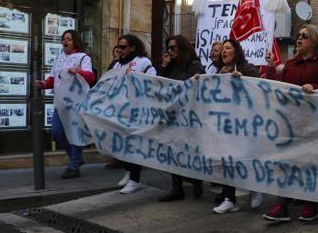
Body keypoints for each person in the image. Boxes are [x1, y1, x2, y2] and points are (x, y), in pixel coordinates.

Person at [262, 24, 318, 223]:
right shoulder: (290, 64)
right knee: (287, 162)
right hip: (291, 122)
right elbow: (277, 88)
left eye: (304, 36)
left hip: (314, 123)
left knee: (310, 163)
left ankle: (311, 203)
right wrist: (271, 68)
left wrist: (315, 87)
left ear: (315, 40)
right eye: (298, 35)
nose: (299, 39)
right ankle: (283, 204)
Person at [36, 30, 95, 179]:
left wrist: (78, 72)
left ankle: (74, 165)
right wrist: (43, 84)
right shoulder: (59, 58)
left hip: (76, 102)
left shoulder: (83, 57)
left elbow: (90, 77)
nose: (65, 41)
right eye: (63, 39)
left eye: (68, 39)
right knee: (57, 132)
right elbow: (53, 79)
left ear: (75, 41)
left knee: (76, 133)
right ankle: (76, 158)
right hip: (60, 102)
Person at [213, 38, 260, 214]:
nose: (224, 51)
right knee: (227, 161)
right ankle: (229, 199)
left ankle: (255, 188)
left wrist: (244, 81)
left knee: (245, 159)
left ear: (237, 51)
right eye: (222, 49)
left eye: (228, 48)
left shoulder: (247, 69)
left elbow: (259, 89)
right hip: (226, 124)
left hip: (245, 124)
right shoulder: (219, 72)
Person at [156, 35, 206, 202]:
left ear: (182, 48)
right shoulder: (170, 66)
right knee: (173, 151)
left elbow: (201, 90)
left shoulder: (194, 66)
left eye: (173, 48)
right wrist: (163, 66)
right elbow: (159, 85)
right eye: (168, 48)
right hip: (173, 116)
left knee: (190, 152)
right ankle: (177, 188)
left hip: (190, 118)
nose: (169, 51)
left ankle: (196, 181)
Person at [111, 34, 156, 194]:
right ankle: (128, 171)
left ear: (133, 47)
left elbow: (152, 80)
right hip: (119, 111)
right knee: (122, 144)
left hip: (136, 111)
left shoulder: (143, 62)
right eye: (119, 46)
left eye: (123, 47)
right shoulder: (116, 65)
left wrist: (135, 76)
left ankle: (135, 179)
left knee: (133, 145)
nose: (120, 50)